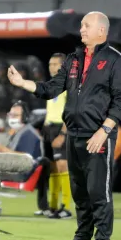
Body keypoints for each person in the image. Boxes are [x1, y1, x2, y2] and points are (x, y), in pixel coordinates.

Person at [8, 11, 121, 240]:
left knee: (98, 192)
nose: (82, 29)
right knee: (79, 192)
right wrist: (23, 83)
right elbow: (52, 88)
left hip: (98, 137)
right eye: (82, 25)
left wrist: (104, 132)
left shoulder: (116, 60)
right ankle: (82, 235)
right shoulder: (74, 58)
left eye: (87, 25)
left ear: (101, 30)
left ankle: (102, 238)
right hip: (74, 135)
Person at [37, 53, 72, 219]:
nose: (51, 67)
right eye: (50, 64)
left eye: (55, 64)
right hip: (49, 128)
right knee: (51, 167)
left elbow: (70, 112)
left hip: (61, 128)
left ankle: (65, 207)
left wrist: (63, 134)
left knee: (63, 166)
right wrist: (44, 125)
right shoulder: (52, 84)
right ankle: (52, 206)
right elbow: (52, 107)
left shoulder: (69, 84)